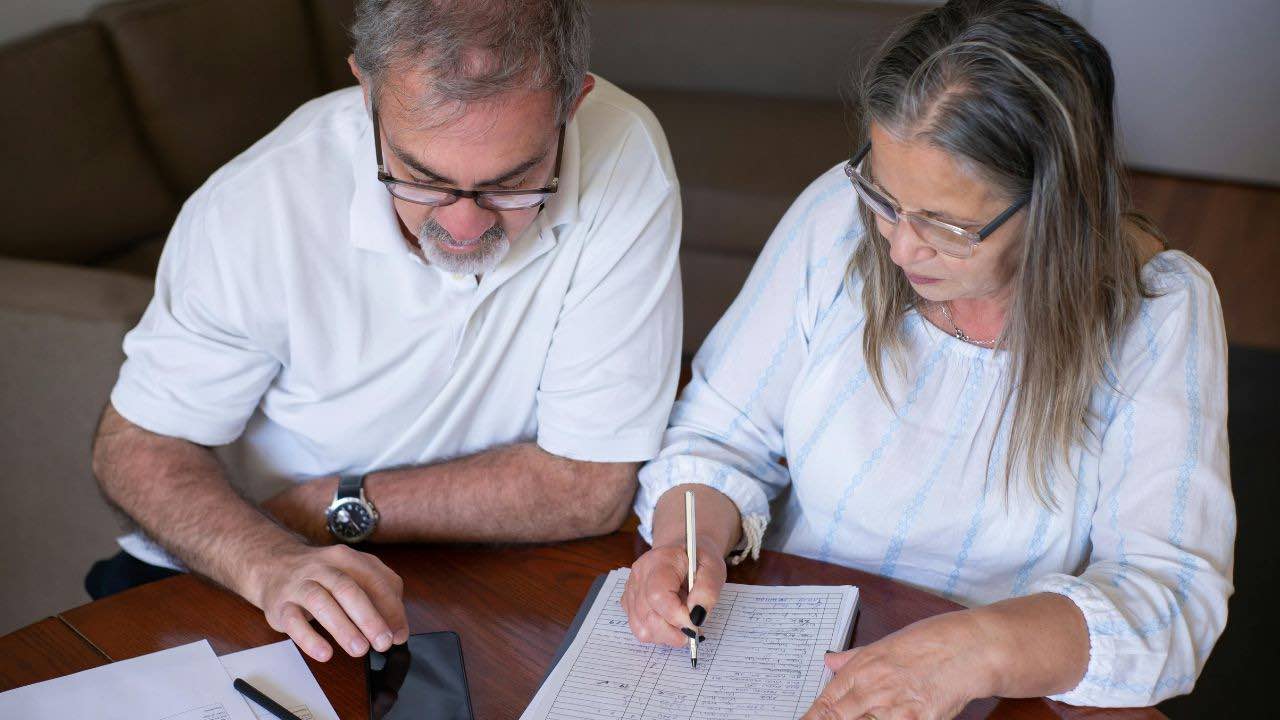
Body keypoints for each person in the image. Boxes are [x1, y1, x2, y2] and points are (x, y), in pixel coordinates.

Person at [623, 0, 1233, 714]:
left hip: (994, 693)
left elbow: (1172, 596)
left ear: (1055, 204)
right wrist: (681, 543)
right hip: (783, 645)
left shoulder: (1158, 310)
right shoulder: (837, 218)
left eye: (947, 225)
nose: (901, 246)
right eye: (884, 197)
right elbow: (720, 435)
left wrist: (974, 651)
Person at [90, 0, 682, 664]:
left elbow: (588, 484)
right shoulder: (257, 205)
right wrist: (271, 559)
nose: (463, 229)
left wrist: (333, 506)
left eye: (512, 183)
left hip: (469, 567)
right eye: (422, 178)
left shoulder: (623, 150)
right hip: (245, 576)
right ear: (366, 91)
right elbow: (137, 448)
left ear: (574, 104)